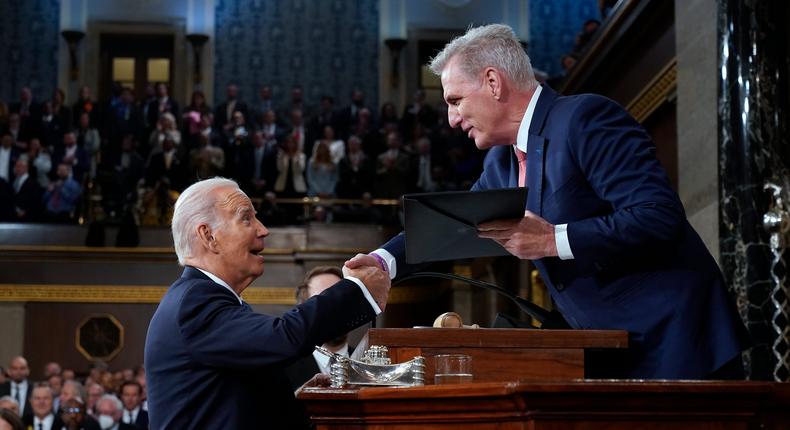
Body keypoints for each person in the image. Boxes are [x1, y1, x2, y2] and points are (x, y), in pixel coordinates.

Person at [345, 23, 749, 380]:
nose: (451, 119)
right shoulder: (501, 162)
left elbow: (658, 217)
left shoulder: (585, 119)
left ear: (492, 82)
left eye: (454, 101)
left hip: (680, 345)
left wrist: (553, 239)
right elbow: (448, 226)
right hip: (614, 353)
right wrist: (383, 262)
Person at [144, 177, 390, 429]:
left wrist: (305, 399)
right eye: (246, 218)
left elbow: (234, 407)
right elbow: (284, 336)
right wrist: (356, 289)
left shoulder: (217, 303)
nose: (263, 230)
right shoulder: (194, 302)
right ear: (208, 236)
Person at [285, 266, 355, 391]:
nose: (335, 308)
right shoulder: (283, 370)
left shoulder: (369, 367)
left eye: (342, 299)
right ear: (305, 310)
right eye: (323, 301)